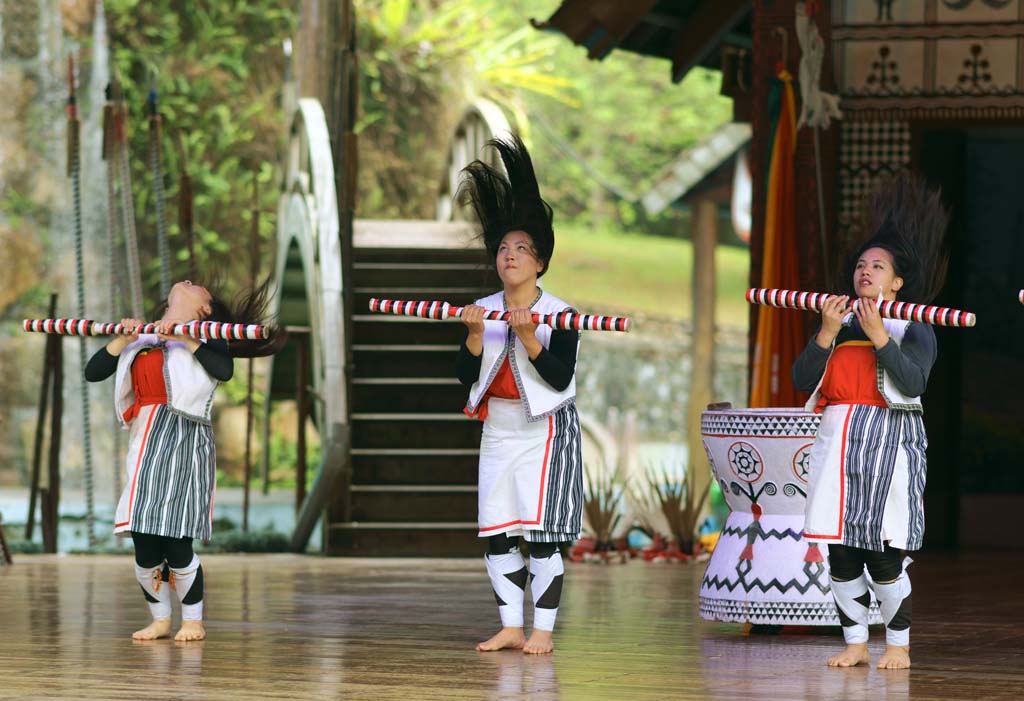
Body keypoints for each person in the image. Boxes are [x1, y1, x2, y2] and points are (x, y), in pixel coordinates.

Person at [792, 171, 948, 670]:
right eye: (861, 265)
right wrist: (825, 332)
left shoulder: (915, 325)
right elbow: (802, 378)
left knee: (882, 551)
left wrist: (881, 336)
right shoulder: (836, 323)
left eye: (877, 266)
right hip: (836, 440)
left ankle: (897, 645)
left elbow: (913, 382)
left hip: (889, 440)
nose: (866, 272)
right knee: (839, 551)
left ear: (896, 282)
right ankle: (856, 641)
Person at [85, 279, 284, 642]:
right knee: (143, 538)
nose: (190, 281)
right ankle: (160, 619)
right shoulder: (143, 338)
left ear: (204, 308)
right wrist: (124, 339)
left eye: (200, 288)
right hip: (144, 439)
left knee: (176, 538)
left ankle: (193, 620)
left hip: (183, 439)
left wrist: (186, 337)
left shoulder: (208, 335)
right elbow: (93, 371)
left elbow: (223, 371)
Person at [455, 135, 583, 655]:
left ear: (541, 263)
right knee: (498, 531)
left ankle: (544, 630)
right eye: (503, 249)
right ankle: (510, 624)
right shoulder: (482, 308)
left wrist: (531, 338)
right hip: (499, 429)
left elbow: (558, 377)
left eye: (521, 249)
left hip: (546, 432)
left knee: (542, 533)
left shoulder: (564, 313)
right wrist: (469, 336)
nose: (510, 256)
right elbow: (462, 373)